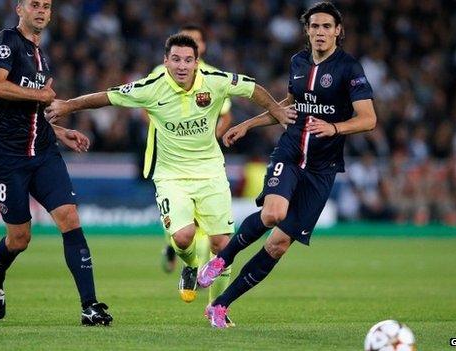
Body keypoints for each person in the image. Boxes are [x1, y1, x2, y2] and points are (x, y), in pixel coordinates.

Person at [45, 34, 295, 323]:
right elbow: (106, 97)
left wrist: (276, 109)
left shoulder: (214, 80)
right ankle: (190, 265)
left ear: (196, 62)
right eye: (175, 59)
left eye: (188, 60)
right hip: (171, 175)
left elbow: (253, 88)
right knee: (183, 236)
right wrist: (67, 106)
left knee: (221, 245)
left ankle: (218, 309)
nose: (181, 65)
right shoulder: (152, 87)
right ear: (165, 62)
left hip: (210, 171)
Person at [196, 2, 377, 328]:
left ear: (338, 31)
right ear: (307, 31)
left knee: (278, 245)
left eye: (326, 27)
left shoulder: (349, 69)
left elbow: (368, 119)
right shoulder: (298, 62)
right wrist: (248, 124)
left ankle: (221, 305)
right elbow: (288, 107)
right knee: (274, 213)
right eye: (314, 27)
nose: (320, 32)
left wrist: (335, 128)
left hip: (323, 169)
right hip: (290, 153)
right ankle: (222, 259)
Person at [0, 0, 112, 326]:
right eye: (34, 4)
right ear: (19, 9)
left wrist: (60, 130)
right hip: (7, 158)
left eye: (47, 6)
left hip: (43, 153)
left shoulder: (43, 56)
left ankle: (90, 306)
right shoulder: (6, 41)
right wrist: (39, 97)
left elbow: (32, 113)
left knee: (69, 218)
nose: (41, 10)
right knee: (20, 239)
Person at [153, 25, 234, 278]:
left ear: (202, 48)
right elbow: (146, 105)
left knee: (207, 229)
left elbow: (225, 115)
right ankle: (177, 248)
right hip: (166, 157)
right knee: (179, 218)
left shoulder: (213, 77)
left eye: (197, 41)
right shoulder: (160, 73)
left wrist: (208, 137)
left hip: (204, 161)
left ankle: (192, 264)